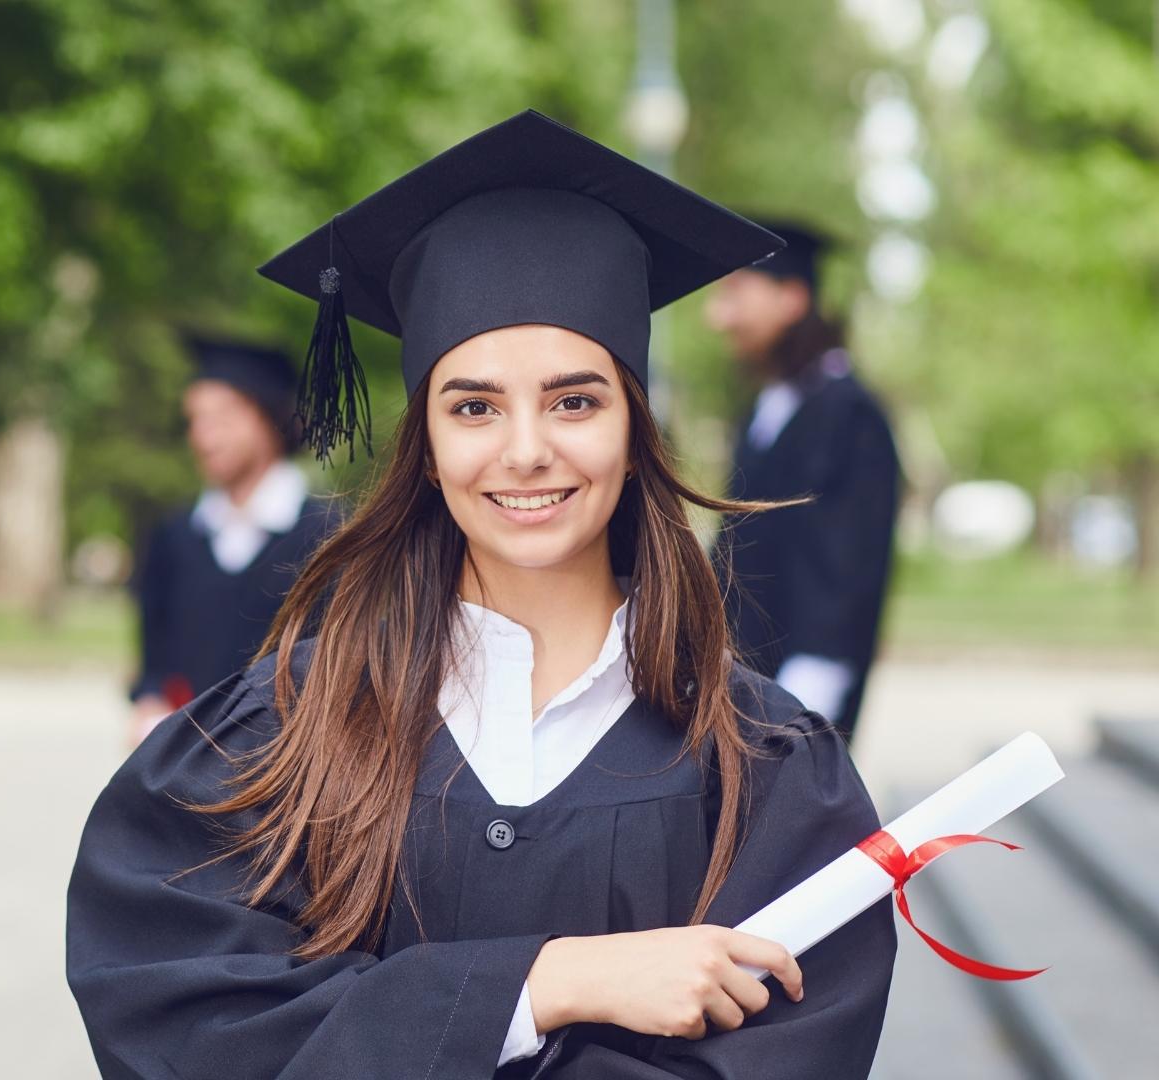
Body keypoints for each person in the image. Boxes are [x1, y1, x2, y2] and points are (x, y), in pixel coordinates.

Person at [66, 111, 896, 1078]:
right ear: (425, 446)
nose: (526, 449)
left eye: (575, 400)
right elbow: (183, 1021)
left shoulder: (763, 766)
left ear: (635, 431)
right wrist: (545, 985)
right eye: (473, 406)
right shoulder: (284, 731)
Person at [706, 220, 901, 739]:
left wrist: (813, 688)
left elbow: (850, 563)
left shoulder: (849, 413)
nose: (719, 317)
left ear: (791, 298)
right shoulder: (768, 406)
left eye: (736, 294)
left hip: (797, 692)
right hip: (742, 679)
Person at [128, 335, 340, 741]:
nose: (204, 438)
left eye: (223, 418)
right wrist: (150, 702)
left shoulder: (330, 538)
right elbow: (153, 660)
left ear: (268, 418)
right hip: (184, 764)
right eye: (195, 420)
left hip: (290, 768)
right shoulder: (175, 536)